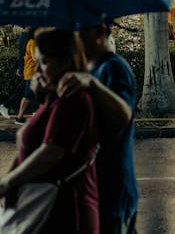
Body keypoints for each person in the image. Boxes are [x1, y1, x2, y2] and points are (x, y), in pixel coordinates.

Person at [0, 29, 99, 233]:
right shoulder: (53, 99)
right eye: (38, 62)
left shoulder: (73, 101)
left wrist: (10, 180)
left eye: (45, 63)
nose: (38, 69)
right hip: (43, 207)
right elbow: (28, 146)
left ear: (66, 62)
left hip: (65, 209)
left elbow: (51, 152)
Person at [57, 22, 138, 234]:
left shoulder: (114, 68)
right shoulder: (89, 68)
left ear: (101, 31)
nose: (77, 39)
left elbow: (124, 114)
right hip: (92, 189)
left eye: (82, 33)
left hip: (113, 191)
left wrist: (92, 84)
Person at [15, 27, 37, 124]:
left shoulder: (29, 42)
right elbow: (35, 58)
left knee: (33, 94)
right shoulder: (32, 42)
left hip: (30, 72)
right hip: (32, 72)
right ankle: (19, 118)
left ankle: (36, 113)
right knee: (28, 95)